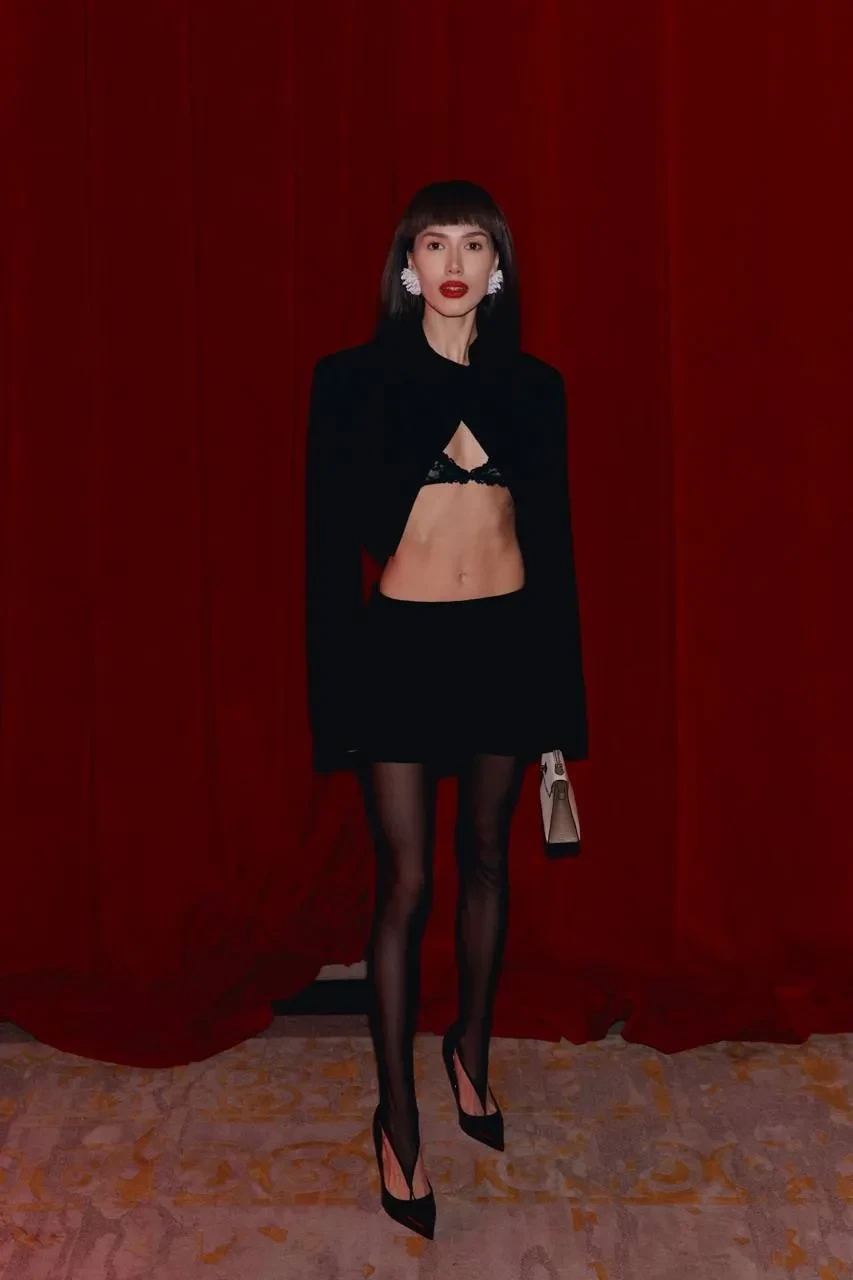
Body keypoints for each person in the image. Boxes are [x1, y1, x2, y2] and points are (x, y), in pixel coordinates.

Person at [304, 180, 588, 1238]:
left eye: (474, 245)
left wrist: (561, 703)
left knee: (486, 860)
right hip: (400, 652)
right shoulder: (352, 381)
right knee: (407, 881)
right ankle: (397, 1119)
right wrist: (332, 694)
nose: (454, 262)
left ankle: (469, 1049)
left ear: (497, 269)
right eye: (435, 243)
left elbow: (555, 553)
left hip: (507, 644)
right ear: (406, 266)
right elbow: (325, 550)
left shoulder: (535, 388)